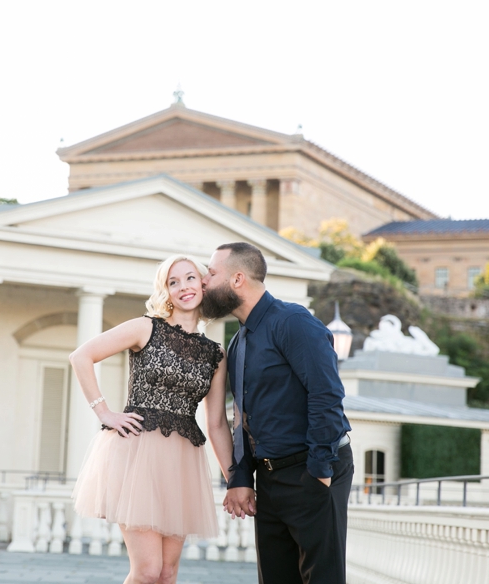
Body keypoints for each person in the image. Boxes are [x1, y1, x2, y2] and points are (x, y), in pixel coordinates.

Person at [70, 255, 234, 584]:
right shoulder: (146, 327)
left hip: (182, 462)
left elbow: (216, 423)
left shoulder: (216, 354)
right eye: (173, 282)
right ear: (165, 291)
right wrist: (104, 412)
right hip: (136, 455)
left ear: (203, 284)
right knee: (146, 572)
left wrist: (236, 479)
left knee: (166, 573)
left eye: (190, 278)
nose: (183, 287)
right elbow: (81, 356)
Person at [201, 241, 354, 584]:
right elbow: (242, 420)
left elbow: (326, 394)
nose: (204, 282)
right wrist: (240, 478)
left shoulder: (293, 322)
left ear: (237, 279)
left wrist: (319, 470)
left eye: (211, 273)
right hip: (268, 480)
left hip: (312, 471)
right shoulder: (237, 343)